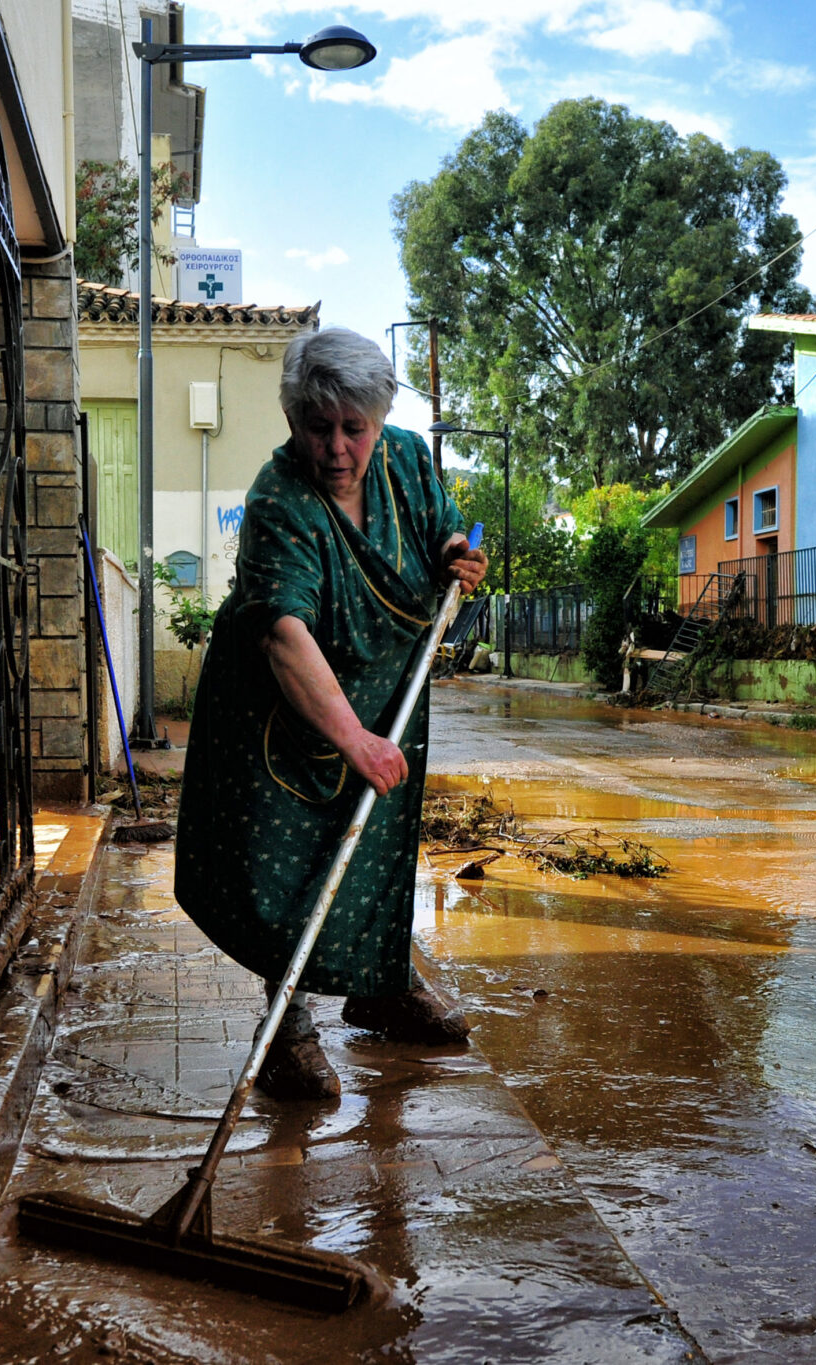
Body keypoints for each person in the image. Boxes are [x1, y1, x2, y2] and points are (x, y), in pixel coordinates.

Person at [174, 328, 489, 1100]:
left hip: (383, 693)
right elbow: (285, 633)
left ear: (378, 420)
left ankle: (381, 988)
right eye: (320, 428)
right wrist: (353, 739)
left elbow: (442, 522)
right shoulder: (279, 502)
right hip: (283, 712)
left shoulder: (408, 458)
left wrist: (456, 550)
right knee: (296, 864)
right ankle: (287, 1028)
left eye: (355, 427)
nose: (339, 447)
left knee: (376, 850)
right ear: (293, 422)